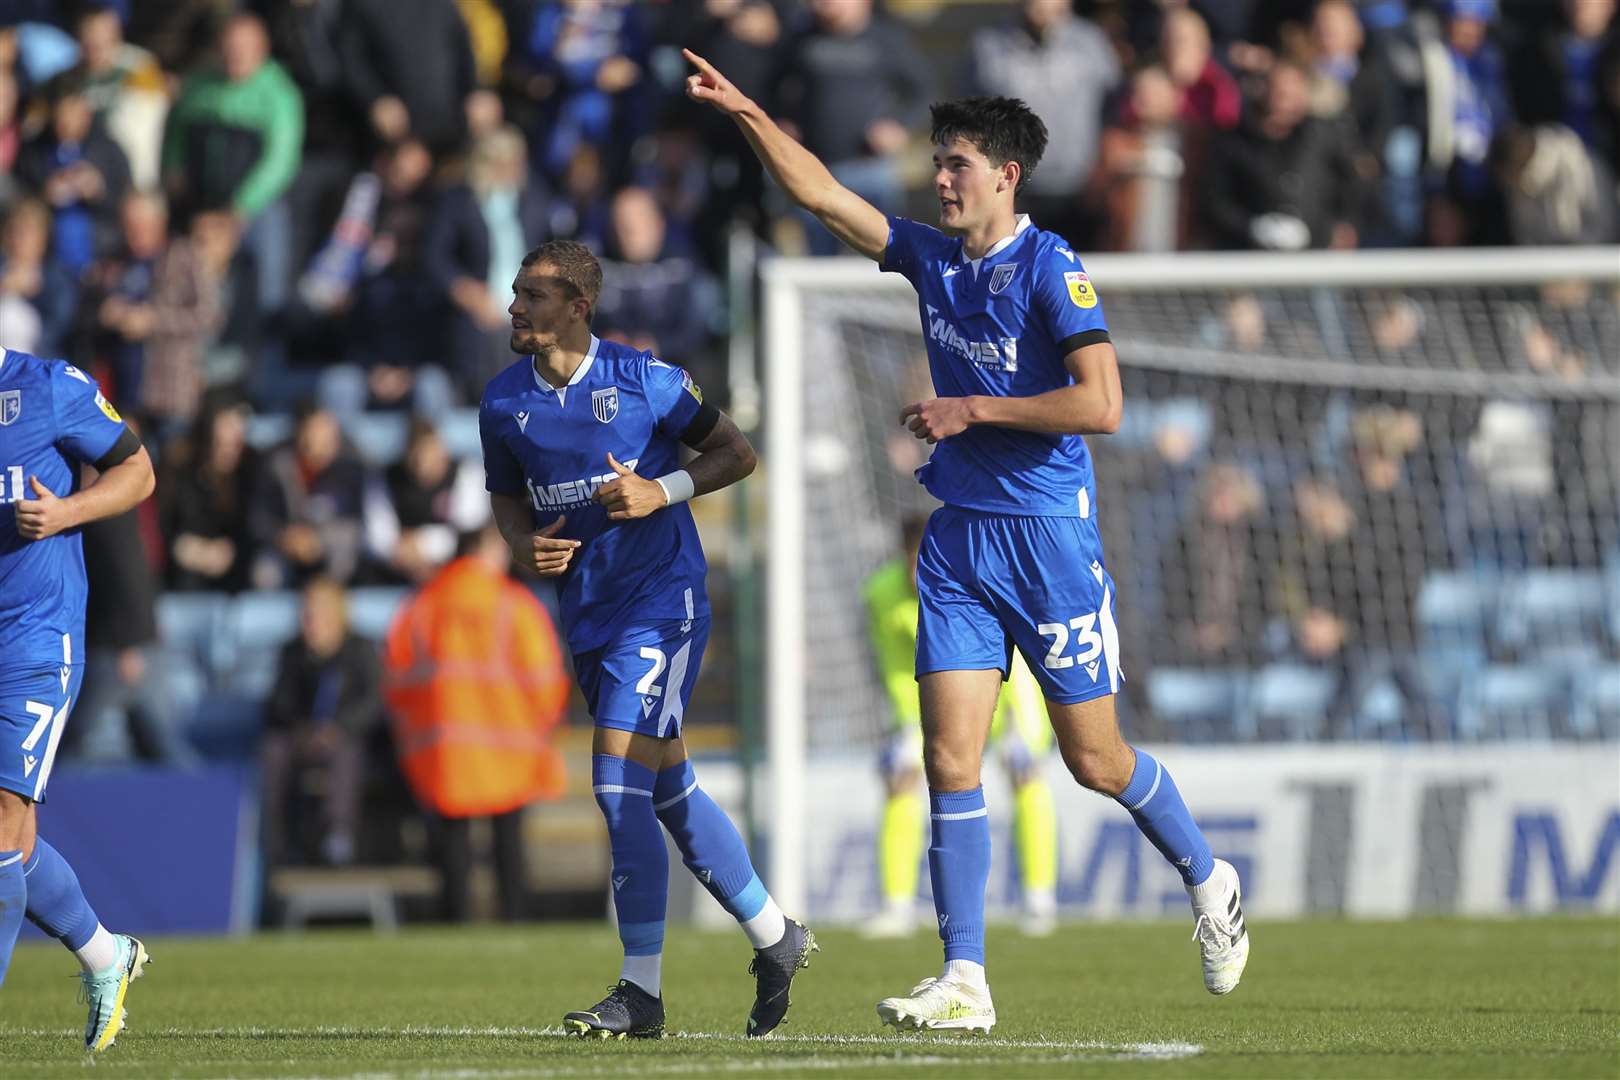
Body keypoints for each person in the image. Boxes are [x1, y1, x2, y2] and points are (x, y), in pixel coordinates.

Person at [685, 51, 1249, 1033]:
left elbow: (1104, 403)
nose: (940, 178)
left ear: (1006, 176)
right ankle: (966, 979)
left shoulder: (1051, 266)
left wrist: (971, 408)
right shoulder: (930, 256)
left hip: (1048, 542)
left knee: (1096, 761)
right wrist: (746, 111)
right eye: (938, 162)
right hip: (957, 549)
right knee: (950, 757)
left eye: (956, 164)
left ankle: (1210, 879)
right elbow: (821, 196)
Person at [480, 239, 814, 1039]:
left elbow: (737, 451)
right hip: (588, 614)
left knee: (615, 781)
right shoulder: (501, 402)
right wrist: (524, 548)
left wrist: (658, 490)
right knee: (665, 789)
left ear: (576, 308)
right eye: (516, 293)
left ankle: (641, 993)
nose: (515, 307)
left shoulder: (646, 381)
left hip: (663, 604)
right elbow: (505, 499)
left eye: (533, 295)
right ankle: (776, 936)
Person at [0, 345, 157, 1050]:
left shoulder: (48, 385)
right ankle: (107, 956)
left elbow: (139, 471)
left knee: (1, 825)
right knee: (14, 843)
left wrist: (67, 512)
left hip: (37, 635)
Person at [864, 516, 1058, 940]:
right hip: (936, 703)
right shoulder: (882, 594)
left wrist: (1020, 729)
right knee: (901, 777)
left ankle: (1039, 899)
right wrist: (905, 731)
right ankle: (896, 905)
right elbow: (898, 670)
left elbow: (1020, 656)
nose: (918, 572)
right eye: (910, 560)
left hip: (1009, 696)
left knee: (1025, 774)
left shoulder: (979, 583)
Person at [381, 523, 570, 922]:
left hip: (443, 747)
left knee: (452, 843)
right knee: (509, 842)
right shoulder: (514, 603)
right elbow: (544, 675)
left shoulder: (423, 605)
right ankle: (515, 917)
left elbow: (397, 678)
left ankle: (457, 920)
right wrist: (542, 722)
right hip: (510, 745)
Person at [260, 576, 384, 872]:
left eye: (315, 613)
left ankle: (338, 836)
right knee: (273, 751)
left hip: (348, 738)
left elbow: (373, 703)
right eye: (306, 613)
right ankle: (275, 841)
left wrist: (339, 727)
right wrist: (301, 728)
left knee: (346, 752)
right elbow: (277, 702)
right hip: (302, 738)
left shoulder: (361, 650)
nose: (309, 621)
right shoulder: (292, 653)